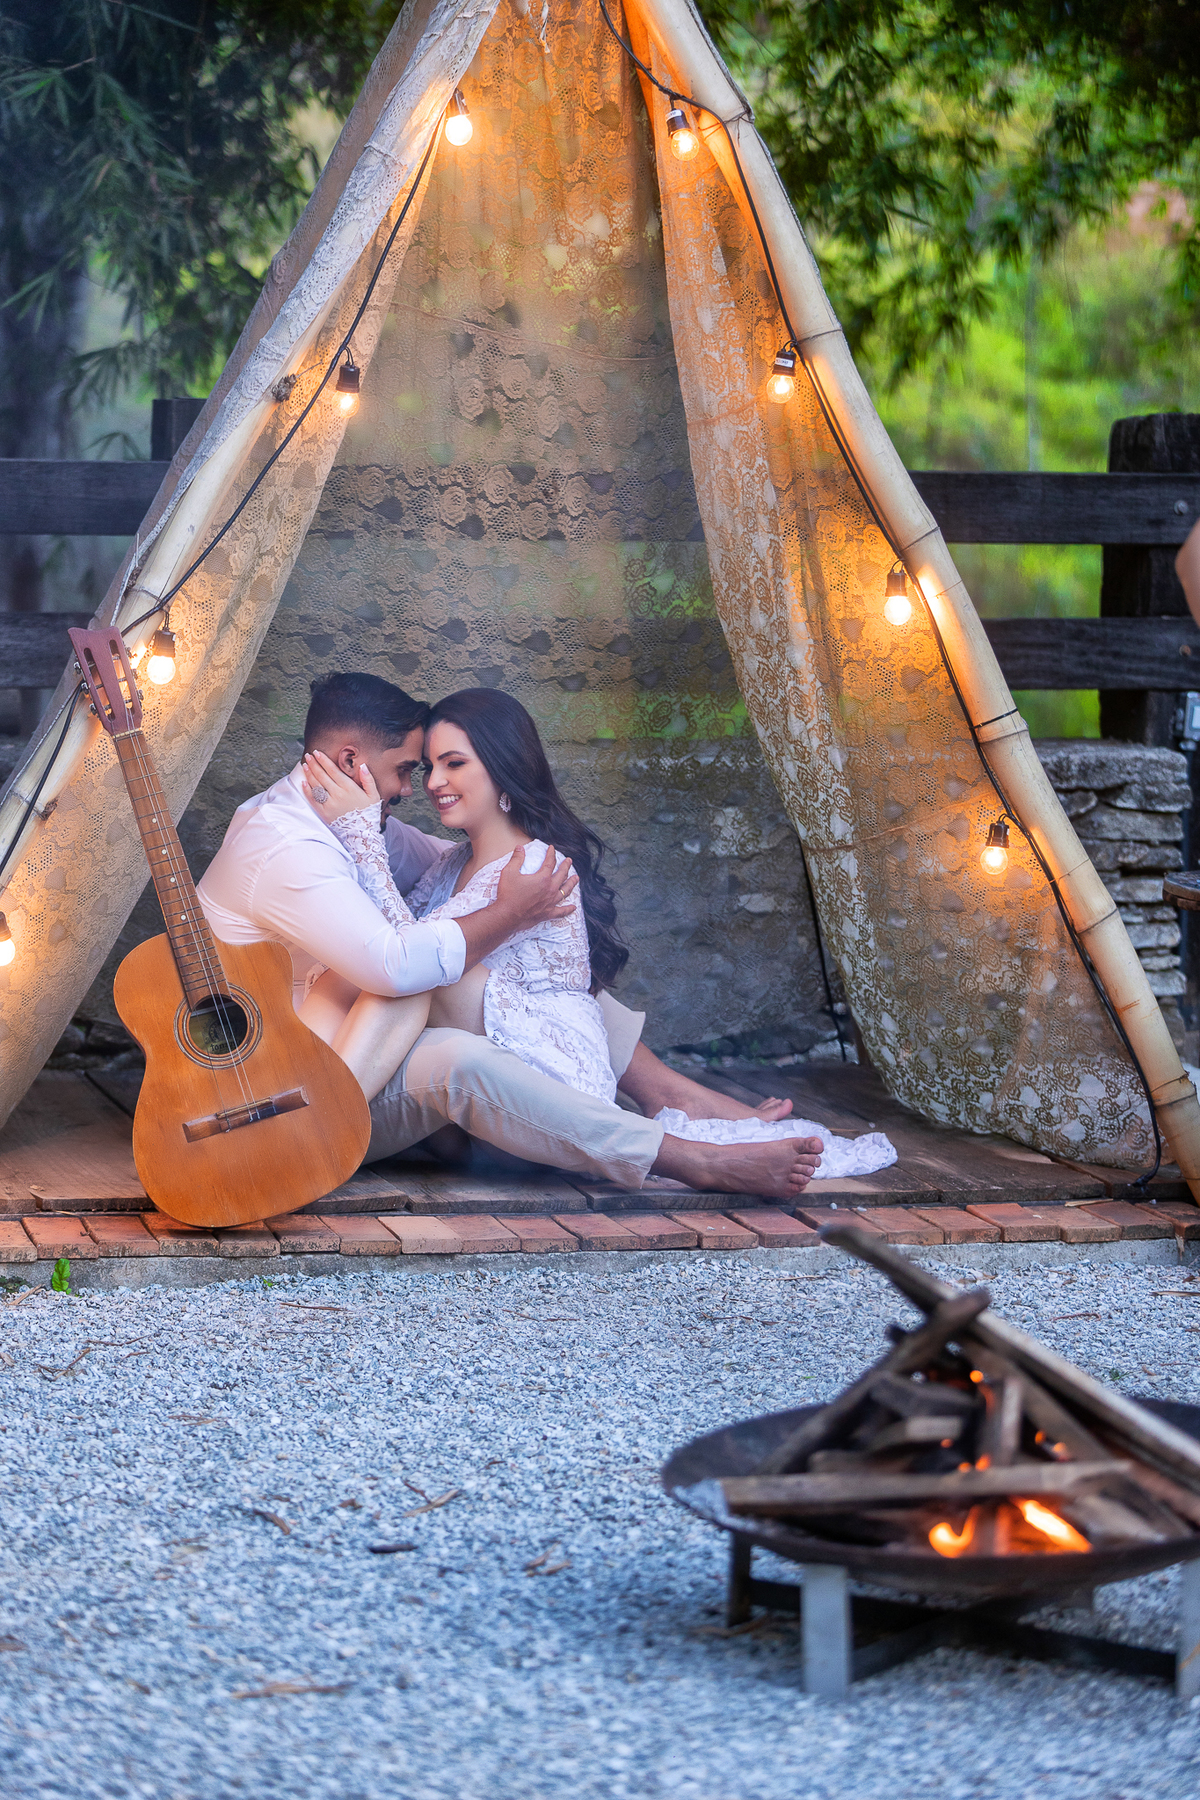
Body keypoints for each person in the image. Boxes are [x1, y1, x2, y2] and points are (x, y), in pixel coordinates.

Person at [198, 672, 826, 1198]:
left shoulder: (355, 822)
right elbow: (400, 963)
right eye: (410, 770)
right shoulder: (291, 846)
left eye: (446, 766)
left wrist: (519, 893)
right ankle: (687, 1157)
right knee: (450, 1025)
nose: (417, 788)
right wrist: (510, 910)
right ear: (349, 763)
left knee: (515, 968)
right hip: (272, 1085)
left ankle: (666, 1093)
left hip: (350, 1050)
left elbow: (455, 875)